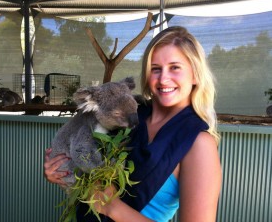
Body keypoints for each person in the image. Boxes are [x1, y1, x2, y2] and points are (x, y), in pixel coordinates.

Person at [44, 26, 222, 222]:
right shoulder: (132, 115)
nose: (163, 79)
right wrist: (62, 172)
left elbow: (103, 198)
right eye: (155, 69)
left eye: (175, 67)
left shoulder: (198, 143)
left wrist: (112, 207)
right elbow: (94, 177)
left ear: (195, 74)